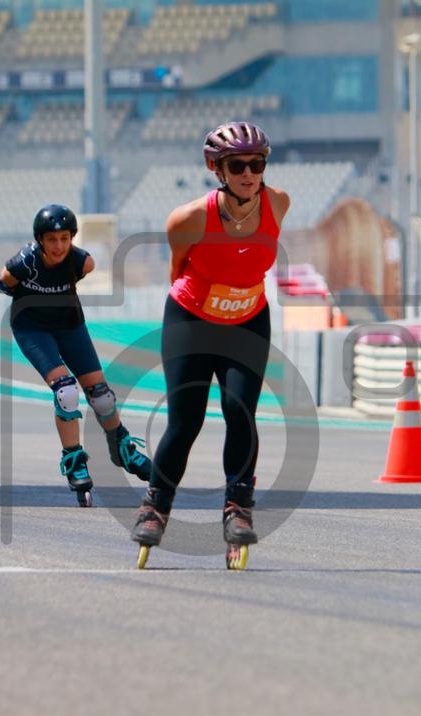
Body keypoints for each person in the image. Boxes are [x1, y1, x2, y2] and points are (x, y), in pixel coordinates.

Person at [132, 121, 290, 568]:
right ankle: (155, 506)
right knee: (186, 420)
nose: (249, 174)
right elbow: (178, 268)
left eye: (257, 164)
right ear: (215, 168)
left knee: (241, 412)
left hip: (248, 319)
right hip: (192, 319)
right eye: (237, 165)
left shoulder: (279, 203)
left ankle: (238, 507)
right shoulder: (189, 218)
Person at [0, 204, 151, 506]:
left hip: (69, 326)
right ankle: (75, 459)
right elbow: (2, 284)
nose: (59, 246)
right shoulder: (23, 264)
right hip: (32, 329)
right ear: (40, 240)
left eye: (65, 239)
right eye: (52, 240)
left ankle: (121, 447)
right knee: (66, 392)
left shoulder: (82, 262)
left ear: (72, 238)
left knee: (102, 396)